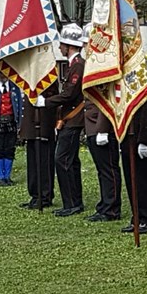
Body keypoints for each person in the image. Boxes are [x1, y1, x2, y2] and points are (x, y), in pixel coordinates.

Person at [36, 24, 86, 217]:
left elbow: (69, 95)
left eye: (62, 45)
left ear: (69, 46)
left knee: (63, 159)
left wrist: (46, 102)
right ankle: (73, 201)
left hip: (73, 120)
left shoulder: (78, 66)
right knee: (70, 161)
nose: (60, 48)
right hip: (69, 120)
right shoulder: (74, 65)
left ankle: (72, 203)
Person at [120, 86, 147, 234]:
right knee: (131, 181)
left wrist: (144, 139)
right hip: (128, 137)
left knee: (144, 181)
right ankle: (137, 216)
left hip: (142, 137)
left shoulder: (144, 82)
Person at [84, 98, 124, 222]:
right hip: (93, 126)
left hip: (102, 128)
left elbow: (107, 100)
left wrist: (103, 128)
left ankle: (111, 209)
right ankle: (105, 204)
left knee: (109, 170)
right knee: (102, 170)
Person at [20, 81, 58, 210]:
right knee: (33, 163)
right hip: (31, 124)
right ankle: (35, 195)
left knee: (44, 162)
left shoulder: (47, 75)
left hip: (43, 124)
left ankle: (45, 196)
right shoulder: (28, 76)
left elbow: (51, 95)